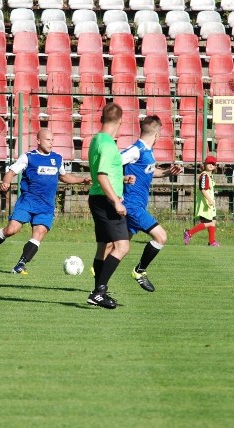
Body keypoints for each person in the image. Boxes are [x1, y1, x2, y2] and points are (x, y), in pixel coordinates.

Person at [0, 129, 90, 274]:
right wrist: (6, 182)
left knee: (39, 234)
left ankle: (20, 264)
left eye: (52, 140)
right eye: (48, 140)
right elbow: (11, 171)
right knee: (11, 230)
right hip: (28, 202)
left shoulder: (57, 158)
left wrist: (82, 179)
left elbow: (64, 177)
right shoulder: (28, 157)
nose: (51, 143)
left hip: (46, 206)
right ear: (38, 141)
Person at [121, 115, 182, 292]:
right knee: (161, 237)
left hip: (138, 205)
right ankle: (139, 271)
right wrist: (122, 178)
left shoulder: (148, 152)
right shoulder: (136, 150)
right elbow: (113, 163)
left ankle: (99, 277)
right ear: (157, 134)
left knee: (120, 248)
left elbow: (149, 171)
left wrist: (167, 173)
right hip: (132, 206)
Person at [86, 102, 133, 310]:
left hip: (98, 197)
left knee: (103, 246)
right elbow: (102, 175)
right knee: (122, 246)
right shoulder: (107, 144)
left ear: (101, 119)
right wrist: (115, 200)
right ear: (120, 121)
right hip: (106, 201)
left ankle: (98, 291)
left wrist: (122, 179)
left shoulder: (96, 139)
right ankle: (98, 292)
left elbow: (103, 173)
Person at [184, 155, 220, 247]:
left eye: (213, 164)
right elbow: (203, 189)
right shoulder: (204, 176)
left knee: (213, 221)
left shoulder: (209, 176)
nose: (211, 165)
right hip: (206, 203)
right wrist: (210, 200)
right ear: (205, 165)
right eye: (209, 163)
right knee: (208, 222)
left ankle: (212, 242)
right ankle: (189, 233)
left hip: (210, 203)